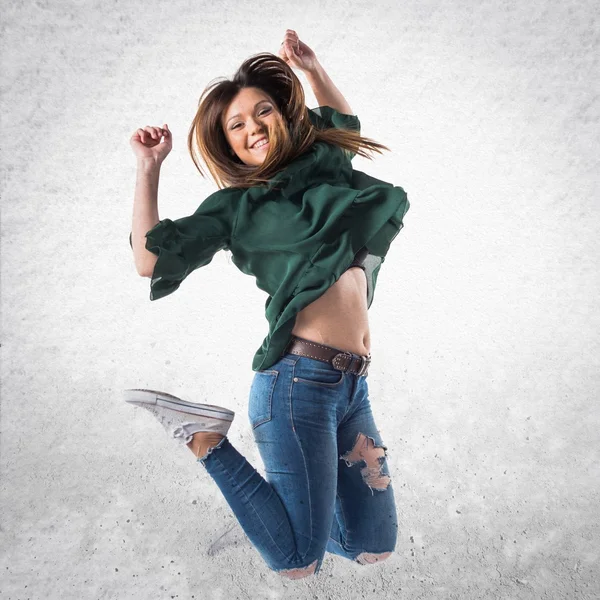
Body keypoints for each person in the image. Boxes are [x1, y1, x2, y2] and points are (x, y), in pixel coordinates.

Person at [124, 29, 410, 579]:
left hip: (352, 385)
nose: (253, 128)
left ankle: (277, 512)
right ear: (227, 144)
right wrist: (148, 168)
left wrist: (312, 67)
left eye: (263, 113)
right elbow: (149, 261)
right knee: (297, 560)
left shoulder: (323, 168)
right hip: (295, 383)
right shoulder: (237, 209)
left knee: (372, 545)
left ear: (284, 114)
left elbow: (342, 123)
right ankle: (204, 437)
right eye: (237, 125)